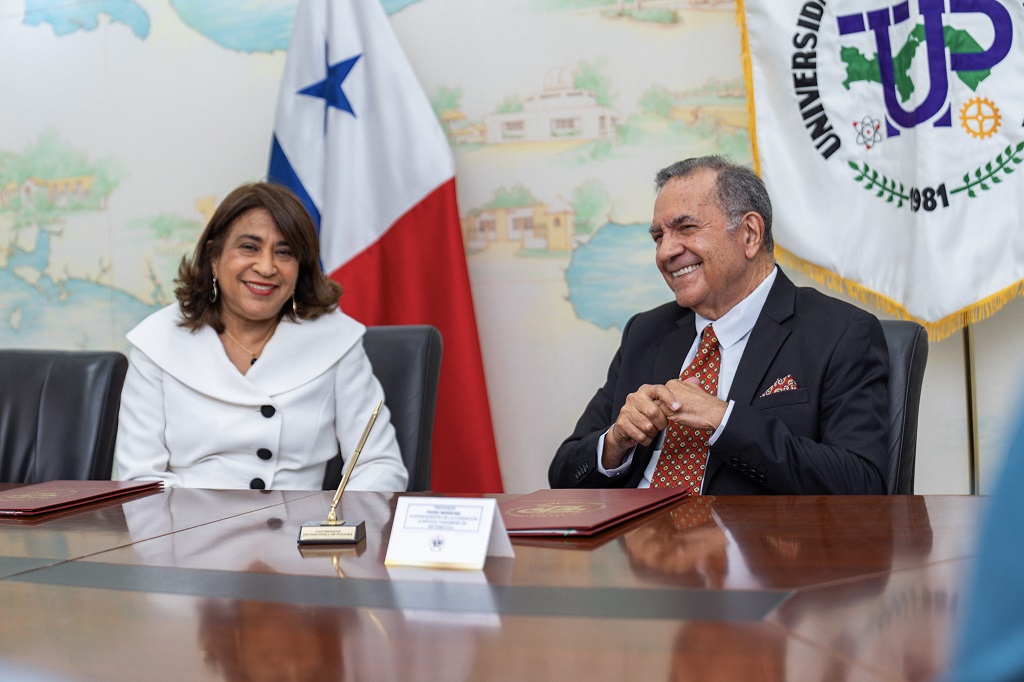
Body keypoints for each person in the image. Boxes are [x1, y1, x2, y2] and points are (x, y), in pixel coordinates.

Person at [549, 156, 889, 494]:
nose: (665, 252)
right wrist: (615, 443)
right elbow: (562, 475)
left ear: (750, 234)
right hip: (636, 527)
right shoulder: (645, 332)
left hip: (745, 529)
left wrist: (724, 420)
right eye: (658, 237)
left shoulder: (840, 333)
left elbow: (861, 483)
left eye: (686, 228)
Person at [114, 181, 408, 491]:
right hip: (185, 520)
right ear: (214, 257)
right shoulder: (156, 342)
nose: (267, 267)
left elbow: (379, 464)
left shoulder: (336, 340)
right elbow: (141, 479)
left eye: (285, 252)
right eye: (249, 247)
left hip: (301, 521)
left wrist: (336, 519)